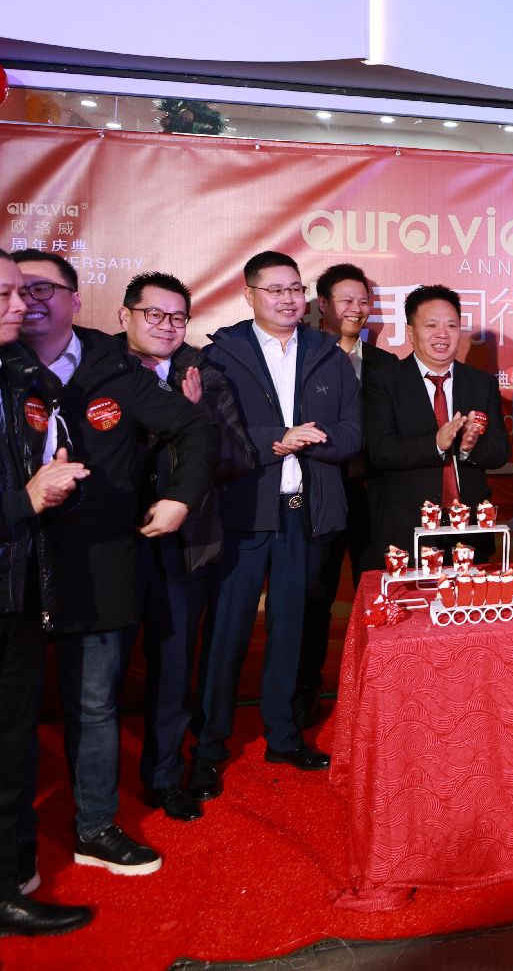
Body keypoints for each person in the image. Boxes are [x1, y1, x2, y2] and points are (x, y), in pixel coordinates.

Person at [14, 250, 214, 877]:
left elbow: (196, 429)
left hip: (98, 558)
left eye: (45, 289)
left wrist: (181, 497)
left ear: (77, 300)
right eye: (19, 290)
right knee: (11, 712)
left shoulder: (114, 367)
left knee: (95, 703)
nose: (29, 301)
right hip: (13, 556)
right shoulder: (5, 368)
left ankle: (95, 827)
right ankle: (13, 846)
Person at [189, 251, 362, 800]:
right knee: (227, 633)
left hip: (305, 514)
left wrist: (312, 441)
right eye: (275, 290)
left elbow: (353, 434)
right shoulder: (221, 356)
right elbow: (213, 434)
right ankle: (208, 748)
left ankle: (284, 737)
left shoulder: (329, 354)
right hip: (244, 514)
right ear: (249, 295)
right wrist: (277, 440)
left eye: (295, 289)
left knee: (293, 630)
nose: (288, 300)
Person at [116, 272, 254, 823]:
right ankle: (91, 790)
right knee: (99, 674)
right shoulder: (98, 369)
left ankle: (163, 776)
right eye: (154, 314)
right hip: (112, 546)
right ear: (125, 315)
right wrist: (171, 418)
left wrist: (197, 416)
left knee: (173, 668)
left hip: (186, 545)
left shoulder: (205, 373)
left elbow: (239, 456)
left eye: (177, 317)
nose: (166, 326)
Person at [0, 249, 94, 937]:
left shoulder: (20, 375)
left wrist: (53, 484)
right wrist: (25, 499)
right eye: (5, 294)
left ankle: (10, 875)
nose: (20, 306)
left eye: (24, 292)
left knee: (14, 744)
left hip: (20, 586)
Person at [296, 263, 397, 724]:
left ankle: (376, 697)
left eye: (363, 301)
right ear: (323, 305)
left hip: (373, 496)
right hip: (318, 492)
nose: (356, 309)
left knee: (375, 594)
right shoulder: (303, 357)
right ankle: (304, 696)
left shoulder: (385, 365)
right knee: (314, 598)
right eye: (345, 300)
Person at [364, 284, 510, 564]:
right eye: (431, 325)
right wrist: (436, 443)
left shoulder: (481, 383)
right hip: (407, 530)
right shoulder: (385, 381)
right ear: (410, 332)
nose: (442, 334)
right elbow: (380, 449)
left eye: (451, 325)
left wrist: (469, 447)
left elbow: (500, 452)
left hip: (470, 530)